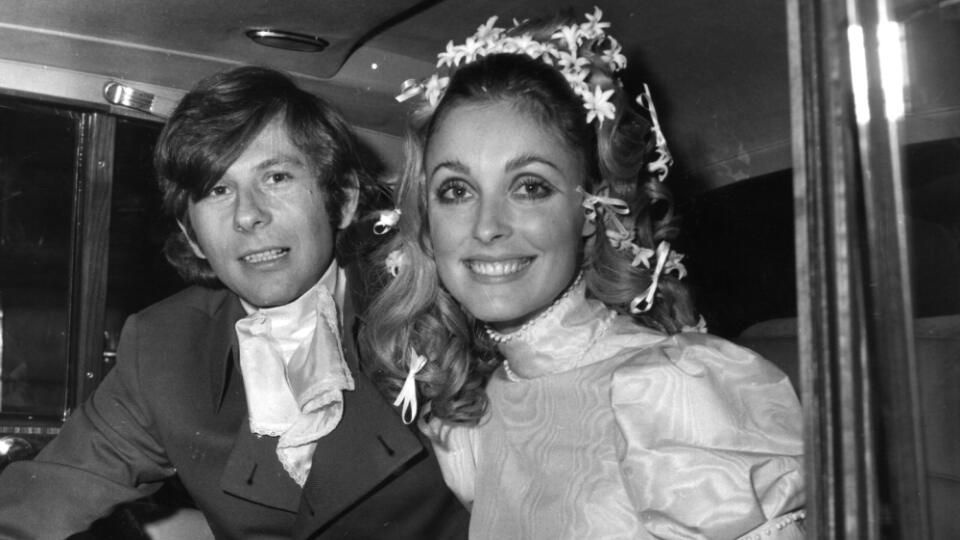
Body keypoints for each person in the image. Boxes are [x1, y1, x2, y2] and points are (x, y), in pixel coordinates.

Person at [360, 10, 805, 540]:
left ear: (591, 213)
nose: (487, 227)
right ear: (427, 225)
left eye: (530, 187)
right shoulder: (474, 417)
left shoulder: (674, 389)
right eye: (456, 191)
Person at [0, 66, 468, 539]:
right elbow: (48, 496)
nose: (247, 215)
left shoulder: (434, 310)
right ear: (192, 235)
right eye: (218, 190)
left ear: (343, 200)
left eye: (276, 177)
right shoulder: (163, 346)